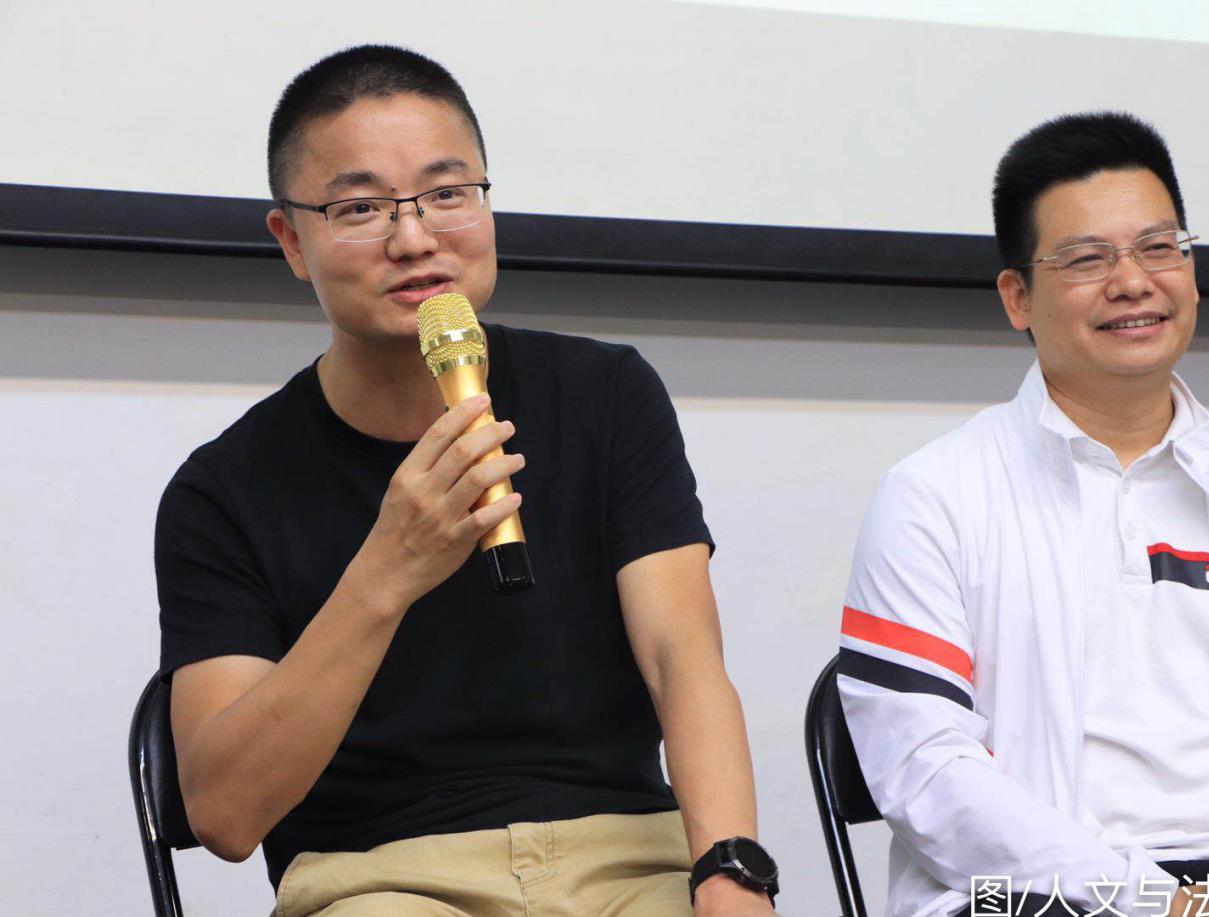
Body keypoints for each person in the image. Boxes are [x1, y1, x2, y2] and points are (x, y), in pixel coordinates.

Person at [155, 44, 778, 916]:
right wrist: (387, 569)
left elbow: (683, 659)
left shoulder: (604, 396)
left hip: (629, 861)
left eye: (447, 194)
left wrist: (731, 870)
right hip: (382, 880)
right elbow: (224, 814)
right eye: (360, 208)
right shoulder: (223, 490)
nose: (414, 239)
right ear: (292, 241)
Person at [836, 111, 1209, 917]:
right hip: (1035, 896)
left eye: (1159, 248)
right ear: (1016, 297)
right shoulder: (931, 497)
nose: (1132, 282)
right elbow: (925, 769)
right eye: (1087, 259)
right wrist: (1152, 901)